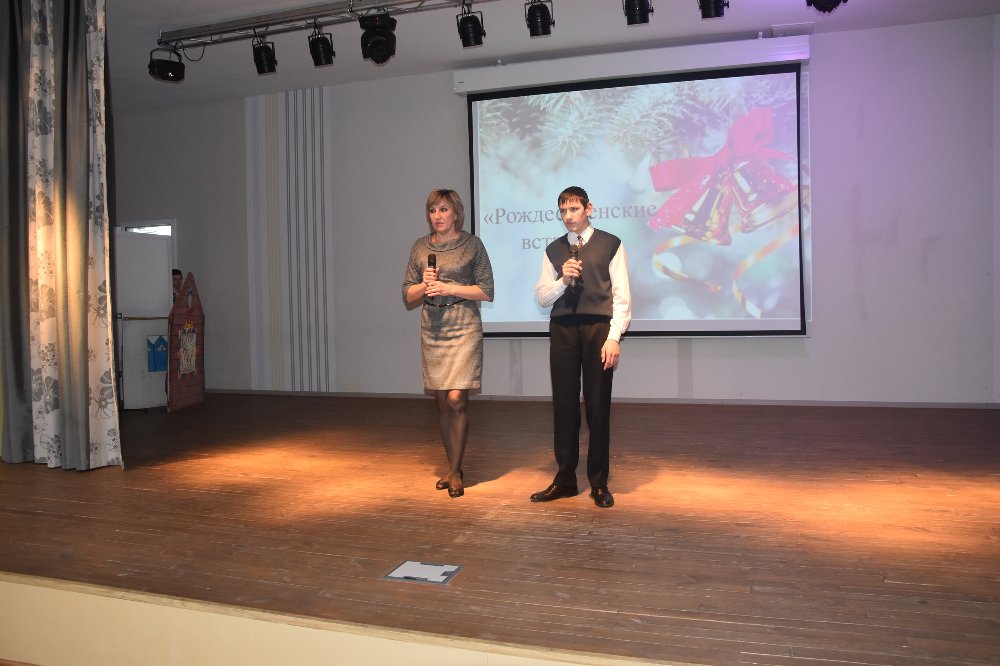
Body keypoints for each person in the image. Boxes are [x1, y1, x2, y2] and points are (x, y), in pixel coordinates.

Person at [530, 186, 631, 508]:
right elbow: (541, 298)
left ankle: (599, 483)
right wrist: (562, 280)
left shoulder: (611, 243)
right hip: (563, 329)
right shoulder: (554, 250)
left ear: (589, 208)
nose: (568, 216)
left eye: (573, 209)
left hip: (599, 329)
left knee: (598, 406)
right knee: (564, 405)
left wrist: (614, 337)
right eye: (563, 211)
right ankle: (565, 480)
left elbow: (622, 297)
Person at [402, 189, 494, 498]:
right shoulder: (420, 247)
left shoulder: (472, 245)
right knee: (442, 402)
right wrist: (424, 285)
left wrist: (449, 287)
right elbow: (407, 295)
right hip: (433, 328)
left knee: (456, 399)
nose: (438, 216)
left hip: (464, 326)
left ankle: (455, 471)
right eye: (433, 210)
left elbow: (486, 291)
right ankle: (453, 465)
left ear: (456, 213)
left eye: (443, 209)